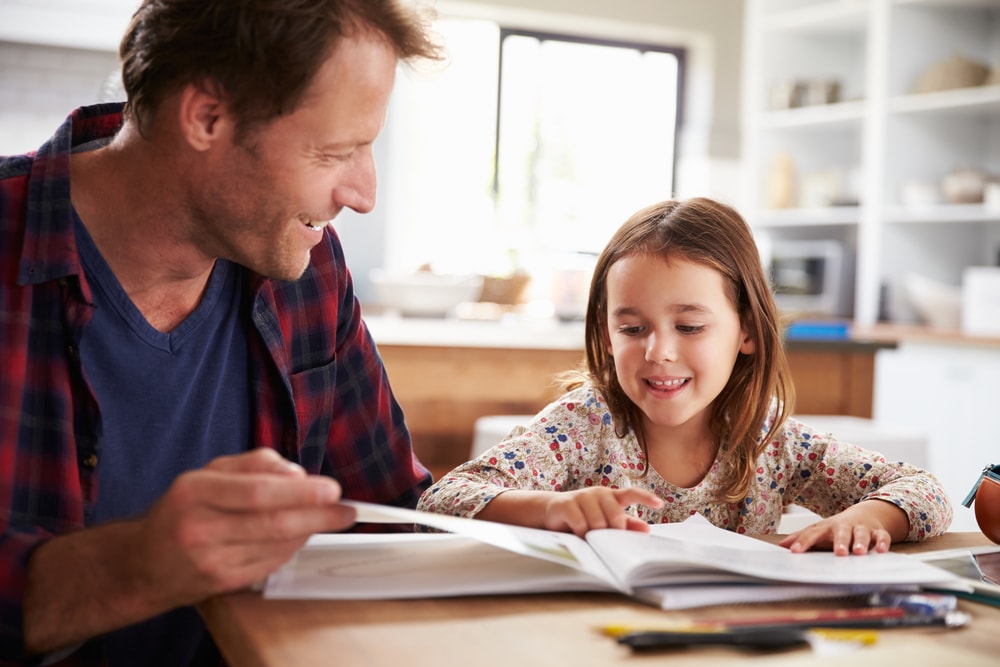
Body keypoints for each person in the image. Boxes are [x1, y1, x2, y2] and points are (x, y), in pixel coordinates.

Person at [0, 1, 443, 665]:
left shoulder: (308, 267)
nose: (363, 192)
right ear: (207, 117)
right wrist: (137, 565)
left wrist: (500, 520)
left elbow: (389, 509)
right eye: (336, 151)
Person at [418, 197, 953, 554]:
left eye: (691, 326)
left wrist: (870, 519)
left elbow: (925, 491)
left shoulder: (771, 440)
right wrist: (553, 508)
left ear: (746, 331)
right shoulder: (581, 428)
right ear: (606, 333)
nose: (659, 352)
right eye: (631, 328)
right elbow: (441, 500)